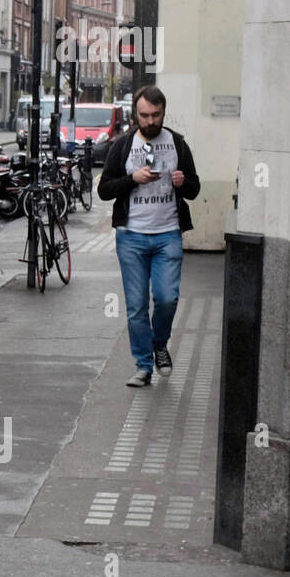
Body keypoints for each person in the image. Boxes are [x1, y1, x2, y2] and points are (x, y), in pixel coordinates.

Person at [97, 85, 201, 387]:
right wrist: (133, 179)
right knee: (137, 305)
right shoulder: (122, 146)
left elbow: (194, 189)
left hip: (168, 235)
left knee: (167, 298)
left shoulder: (178, 144)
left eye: (156, 115)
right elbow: (104, 190)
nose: (150, 121)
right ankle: (143, 365)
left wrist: (183, 182)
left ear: (163, 113)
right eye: (144, 115)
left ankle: (159, 344)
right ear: (136, 114)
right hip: (131, 237)